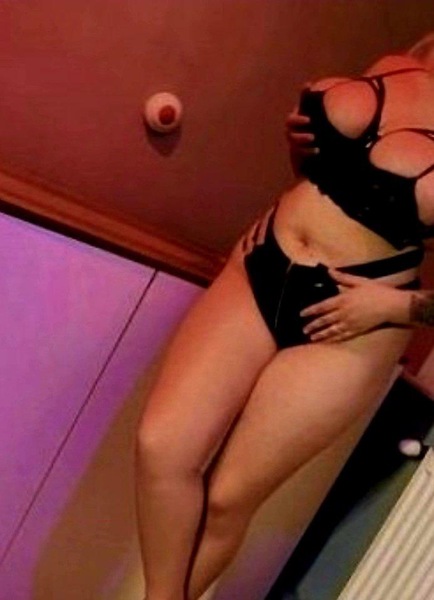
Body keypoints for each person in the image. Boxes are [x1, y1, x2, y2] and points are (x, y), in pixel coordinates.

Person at [135, 32, 434, 600]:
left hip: (355, 320)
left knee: (226, 499)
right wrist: (300, 150)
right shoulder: (408, 60)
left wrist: (393, 305)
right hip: (263, 264)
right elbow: (341, 180)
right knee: (162, 448)